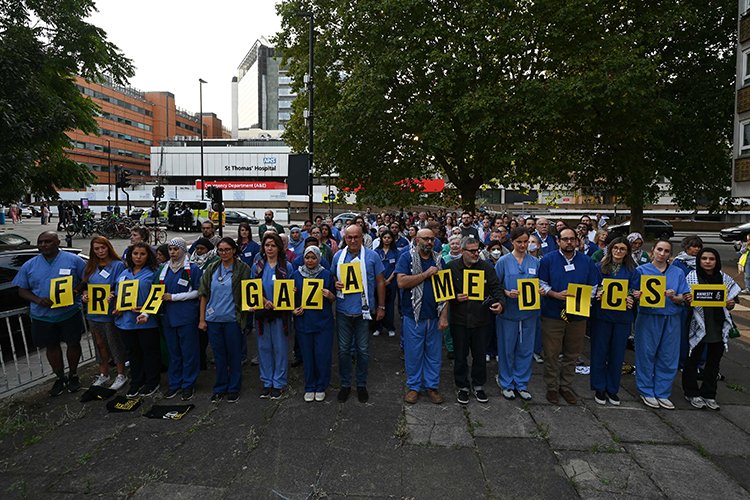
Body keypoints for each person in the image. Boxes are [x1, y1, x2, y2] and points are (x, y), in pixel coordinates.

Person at [13, 232, 87, 396]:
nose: (44, 245)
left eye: (48, 241)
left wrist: (76, 290)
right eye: (41, 242)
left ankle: (73, 374)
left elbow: (86, 278)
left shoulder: (73, 260)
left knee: (73, 343)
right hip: (42, 315)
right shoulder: (30, 265)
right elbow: (22, 290)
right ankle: (60, 377)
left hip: (68, 312)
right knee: (51, 347)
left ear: (57, 242)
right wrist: (37, 300)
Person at [439, 236, 504, 405]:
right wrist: (454, 297)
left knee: (480, 355)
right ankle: (462, 386)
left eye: (478, 250)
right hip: (459, 320)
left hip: (482, 320)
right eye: (473, 251)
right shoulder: (451, 267)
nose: (477, 253)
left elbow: (496, 287)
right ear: (462, 251)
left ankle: (478, 385)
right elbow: (443, 291)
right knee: (460, 356)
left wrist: (500, 304)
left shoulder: (486, 267)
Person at [538, 227, 598, 405]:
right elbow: (541, 282)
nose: (569, 242)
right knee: (552, 352)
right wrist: (554, 294)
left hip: (577, 314)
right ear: (558, 241)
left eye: (572, 239)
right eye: (565, 239)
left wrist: (586, 298)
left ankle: (566, 385)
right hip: (553, 312)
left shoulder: (586, 261)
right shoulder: (548, 259)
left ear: (577, 241)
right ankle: (551, 386)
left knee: (572, 353)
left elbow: (594, 285)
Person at [632, 239, 689, 409]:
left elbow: (684, 297)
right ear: (652, 251)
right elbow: (632, 293)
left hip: (671, 318)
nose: (662, 254)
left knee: (669, 356)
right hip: (648, 317)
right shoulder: (641, 271)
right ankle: (646, 390)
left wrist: (674, 297)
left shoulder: (677, 272)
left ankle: (662, 392)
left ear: (670, 254)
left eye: (666, 251)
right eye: (659, 250)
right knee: (646, 353)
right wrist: (636, 294)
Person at [332, 224, 386, 403]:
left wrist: (381, 307)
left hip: (364, 312)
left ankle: (361, 384)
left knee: (363, 351)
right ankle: (346, 384)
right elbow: (333, 277)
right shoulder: (338, 256)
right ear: (345, 238)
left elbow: (380, 282)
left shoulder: (372, 256)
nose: (353, 240)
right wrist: (335, 283)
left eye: (356, 237)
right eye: (349, 237)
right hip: (343, 311)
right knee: (343, 350)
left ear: (362, 237)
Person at [683, 248, 741, 410]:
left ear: (717, 261)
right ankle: (691, 392)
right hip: (697, 324)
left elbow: (733, 297)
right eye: (704, 259)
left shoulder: (723, 278)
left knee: (713, 362)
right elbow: (684, 297)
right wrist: (687, 299)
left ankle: (709, 393)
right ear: (699, 261)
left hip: (717, 325)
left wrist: (731, 303)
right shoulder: (692, 277)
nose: (708, 262)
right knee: (692, 360)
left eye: (711, 259)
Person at [396, 229, 447, 405]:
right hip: (413, 316)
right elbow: (402, 282)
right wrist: (426, 275)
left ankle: (432, 387)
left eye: (432, 239)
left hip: (434, 315)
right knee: (414, 353)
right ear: (417, 240)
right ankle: (414, 387)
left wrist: (444, 317)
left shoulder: (440, 260)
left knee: (434, 354)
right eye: (426, 239)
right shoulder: (406, 258)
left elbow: (445, 292)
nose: (429, 242)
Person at [198, 237, 251, 403]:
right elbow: (203, 294)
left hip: (232, 319)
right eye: (221, 250)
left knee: (234, 354)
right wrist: (202, 319)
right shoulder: (212, 268)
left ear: (234, 250)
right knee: (219, 355)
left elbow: (250, 290)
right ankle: (220, 386)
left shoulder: (243, 268)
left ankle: (234, 387)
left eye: (227, 249)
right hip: (213, 319)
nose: (224, 253)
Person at [151, 238, 203, 401]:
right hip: (168, 317)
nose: (173, 252)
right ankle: (174, 383)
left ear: (183, 251)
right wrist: (146, 312)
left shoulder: (192, 270)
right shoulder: (162, 270)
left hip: (186, 316)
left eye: (176, 249)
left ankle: (188, 384)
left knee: (188, 352)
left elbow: (198, 291)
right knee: (173, 352)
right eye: (171, 249)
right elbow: (155, 293)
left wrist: (174, 297)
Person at [590, 237, 637, 405]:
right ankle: (599, 387)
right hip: (602, 316)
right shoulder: (598, 267)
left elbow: (635, 288)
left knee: (617, 354)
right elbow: (592, 287)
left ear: (627, 252)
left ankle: (612, 388)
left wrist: (631, 297)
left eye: (622, 248)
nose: (618, 251)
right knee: (599, 352)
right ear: (610, 249)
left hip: (622, 318)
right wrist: (597, 294)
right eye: (615, 248)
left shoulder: (632, 270)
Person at [250, 233, 294, 399]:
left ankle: (279, 382)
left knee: (280, 348)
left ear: (279, 248)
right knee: (264, 347)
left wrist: (290, 293)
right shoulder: (257, 266)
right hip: (262, 313)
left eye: (273, 245)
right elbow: (251, 288)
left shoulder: (286, 266)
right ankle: (267, 381)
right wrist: (264, 300)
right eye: (267, 245)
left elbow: (290, 288)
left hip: (280, 314)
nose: (269, 248)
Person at [114, 242, 161, 398]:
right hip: (126, 322)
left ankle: (152, 382)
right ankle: (136, 382)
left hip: (146, 321)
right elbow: (118, 293)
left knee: (149, 352)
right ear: (130, 255)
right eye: (135, 254)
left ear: (148, 256)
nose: (138, 257)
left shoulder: (153, 273)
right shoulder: (123, 274)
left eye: (142, 254)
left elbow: (158, 295)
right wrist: (115, 304)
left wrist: (145, 309)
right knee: (133, 354)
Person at [81, 237, 128, 390]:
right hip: (94, 312)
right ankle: (104, 373)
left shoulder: (118, 265)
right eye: (96, 249)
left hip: (110, 311)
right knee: (99, 344)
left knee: (114, 342)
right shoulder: (90, 266)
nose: (100, 251)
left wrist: (114, 293)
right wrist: (85, 295)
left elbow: (123, 286)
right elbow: (87, 286)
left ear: (108, 247)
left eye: (103, 248)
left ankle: (121, 374)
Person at [292, 246, 336, 402]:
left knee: (322, 355)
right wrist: (293, 310)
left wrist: (330, 295)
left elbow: (334, 298)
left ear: (319, 258)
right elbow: (289, 300)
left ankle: (321, 385)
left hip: (323, 322)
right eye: (307, 257)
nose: (310, 261)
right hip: (304, 322)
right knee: (307, 356)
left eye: (313, 258)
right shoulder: (296, 274)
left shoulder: (326, 274)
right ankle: (309, 385)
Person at [374, 230, 398, 337]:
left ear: (392, 239)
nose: (387, 239)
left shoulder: (396, 252)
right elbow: (373, 266)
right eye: (385, 237)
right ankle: (378, 327)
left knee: (390, 306)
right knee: (378, 304)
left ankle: (390, 327)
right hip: (378, 282)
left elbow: (397, 268)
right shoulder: (376, 251)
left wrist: (388, 280)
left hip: (391, 282)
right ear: (381, 239)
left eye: (389, 237)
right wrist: (381, 280)